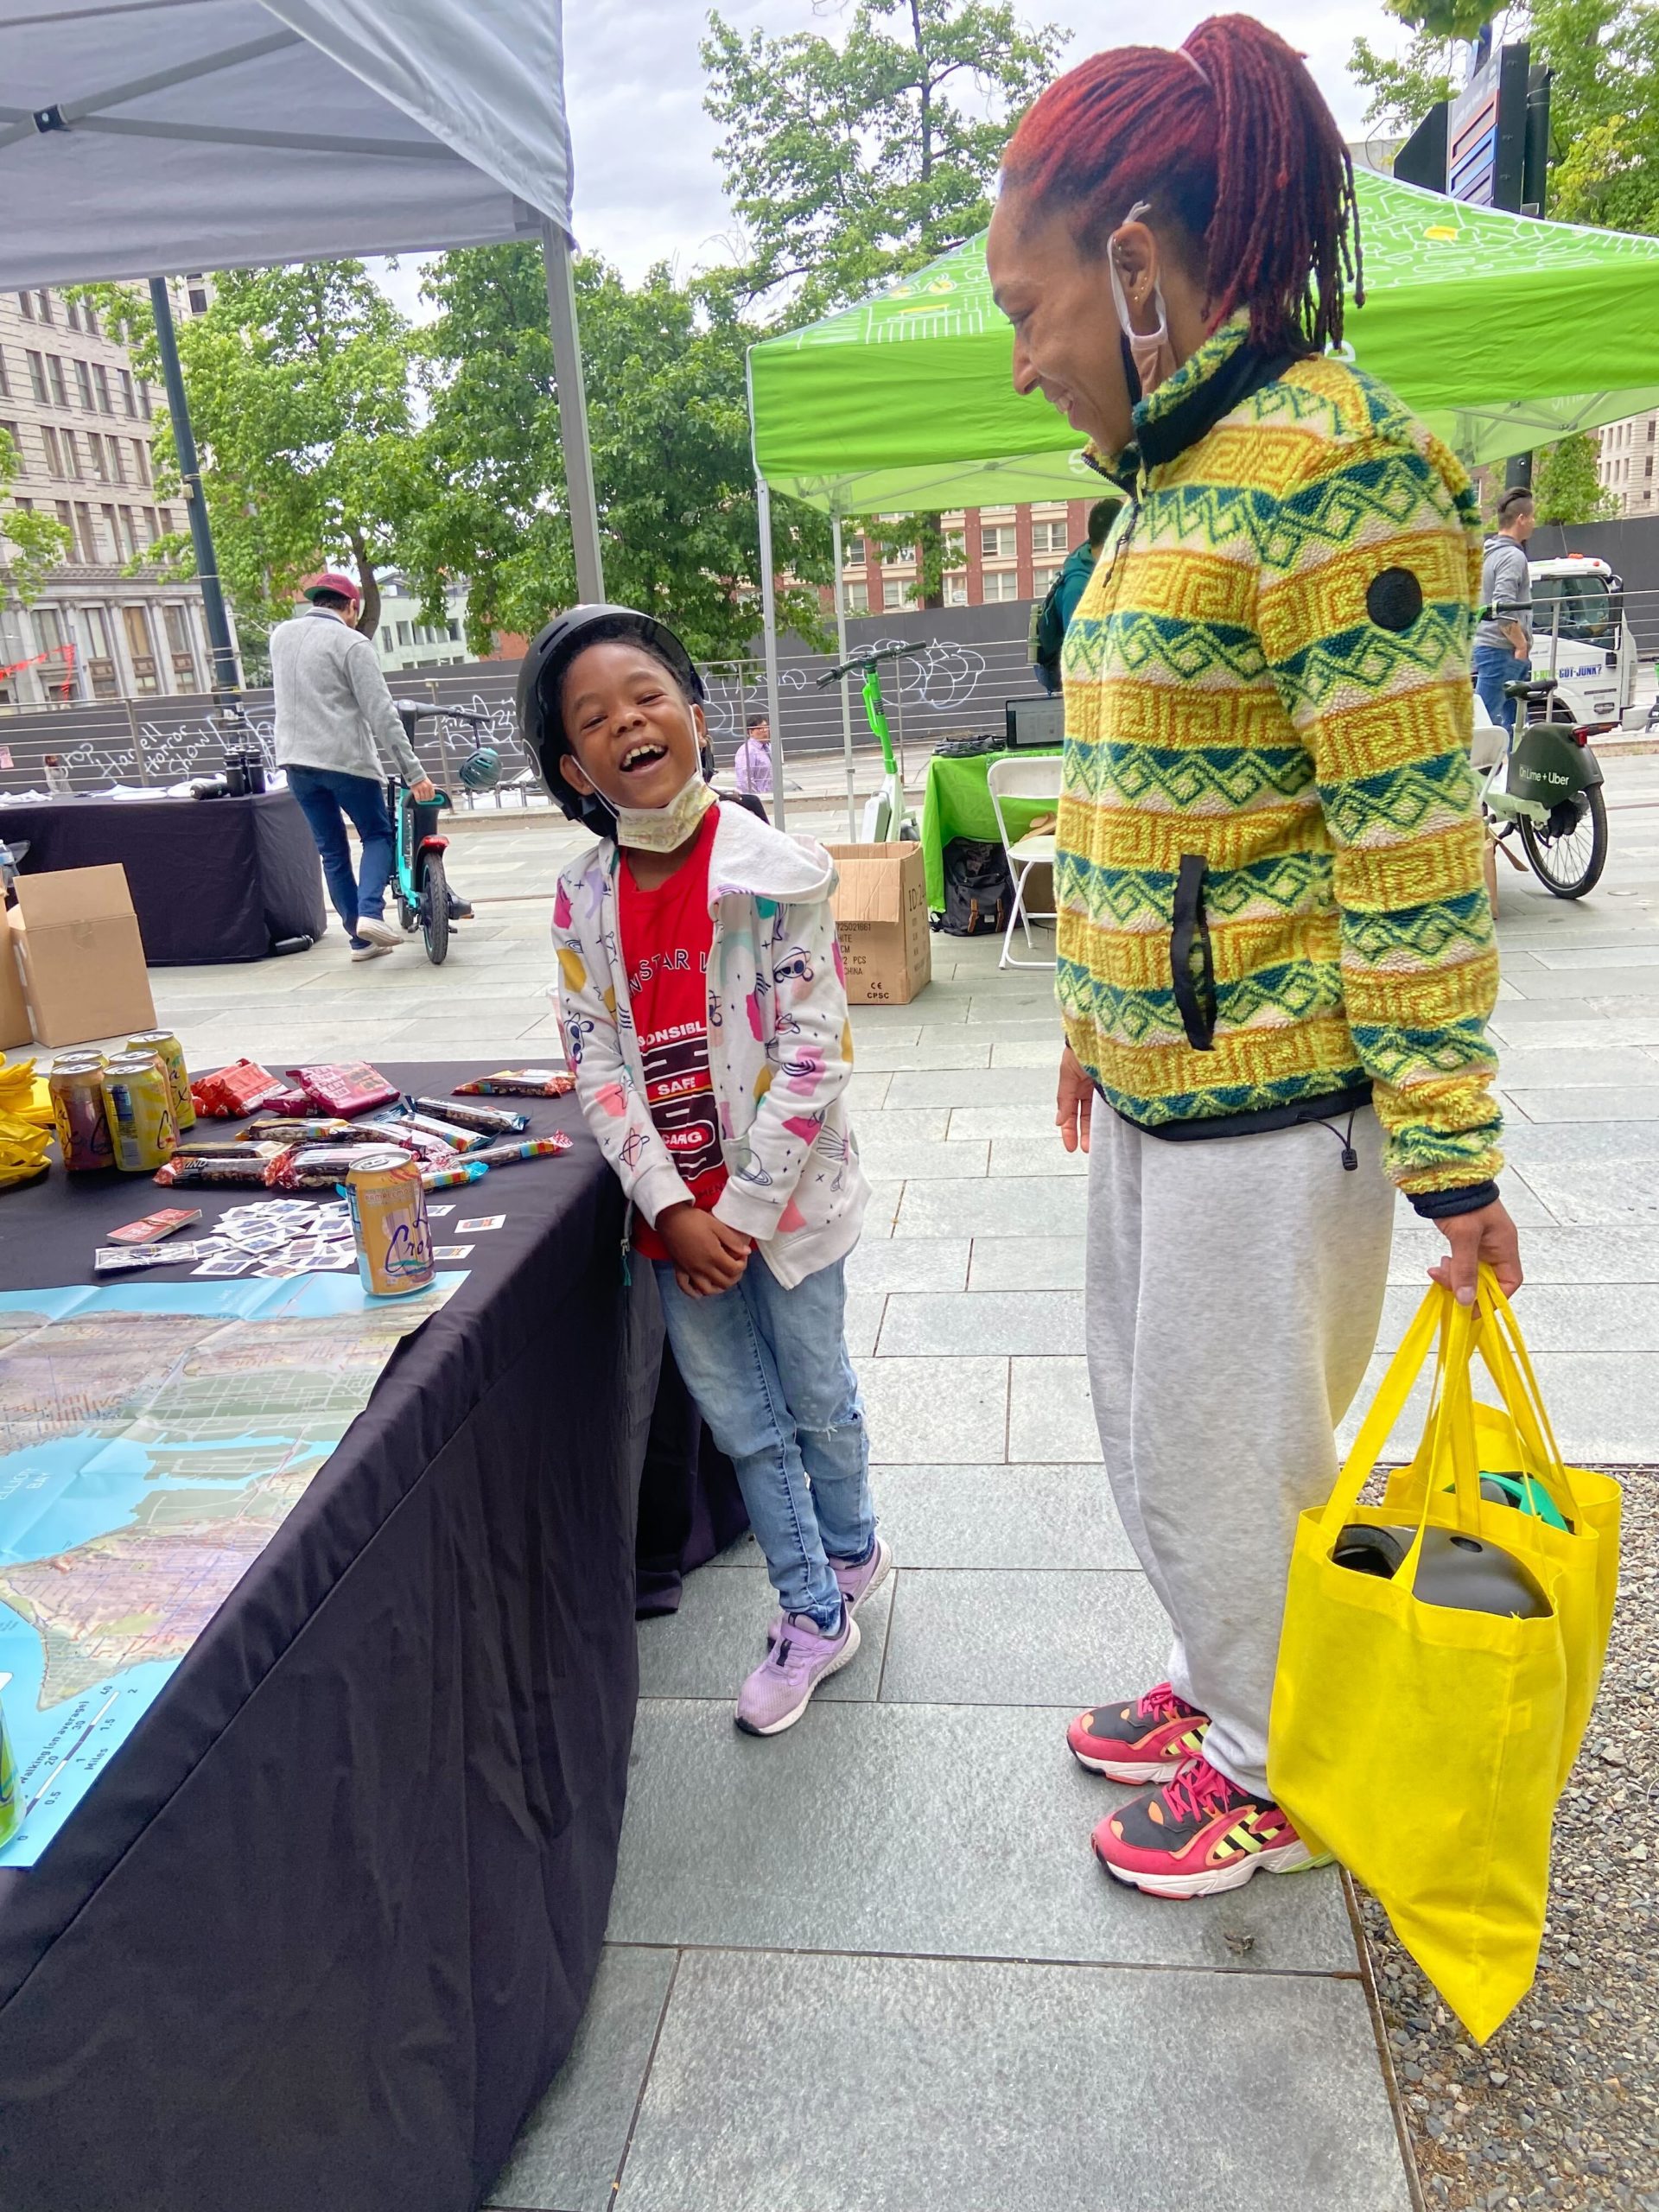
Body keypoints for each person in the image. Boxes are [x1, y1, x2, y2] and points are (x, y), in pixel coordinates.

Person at [986, 15, 1521, 1900]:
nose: (1027, 351)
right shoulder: (1170, 485)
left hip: (1286, 1098)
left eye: (1029, 302)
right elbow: (1138, 792)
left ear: (1135, 266)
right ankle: (1230, 1677)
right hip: (1159, 1077)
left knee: (1237, 1451)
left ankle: (1280, 1760)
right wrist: (1085, 1006)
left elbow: (1411, 842)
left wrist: (1452, 1150)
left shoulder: (1340, 473)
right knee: (1156, 1430)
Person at [523, 603, 888, 1735]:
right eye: (593, 718)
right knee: (744, 1419)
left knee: (818, 1398)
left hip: (788, 1214)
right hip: (674, 1232)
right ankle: (813, 1613)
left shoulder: (777, 870)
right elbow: (595, 1062)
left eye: (645, 695)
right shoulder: (584, 899)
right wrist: (674, 1208)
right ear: (573, 767)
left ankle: (853, 1541)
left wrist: (743, 1206)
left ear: (692, 712)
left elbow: (815, 1049)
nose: (627, 722)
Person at [270, 570, 436, 961]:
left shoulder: (280, 637)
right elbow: (381, 714)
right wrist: (415, 774)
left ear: (315, 602)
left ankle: (359, 941)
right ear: (351, 607)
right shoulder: (352, 643)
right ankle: (370, 914)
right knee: (377, 833)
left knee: (332, 850)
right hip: (345, 760)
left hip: (295, 761)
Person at [1031, 497, 1119, 694]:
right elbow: (1080, 656)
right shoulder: (1078, 587)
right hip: (1076, 685)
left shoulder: (1093, 569)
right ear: (1116, 537)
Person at [1473, 487, 1535, 732]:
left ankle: (1508, 768)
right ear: (1521, 519)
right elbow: (1503, 605)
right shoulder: (1512, 557)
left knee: (1512, 725)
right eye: (1531, 517)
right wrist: (1521, 646)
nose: (1533, 523)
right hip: (1502, 651)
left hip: (1493, 649)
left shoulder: (1489, 554)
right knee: (1488, 725)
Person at [734, 712, 773, 799]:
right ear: (751, 732)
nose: (765, 731)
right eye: (761, 729)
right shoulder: (747, 750)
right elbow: (745, 779)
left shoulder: (767, 748)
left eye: (766, 728)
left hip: (769, 797)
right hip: (757, 799)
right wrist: (757, 798)